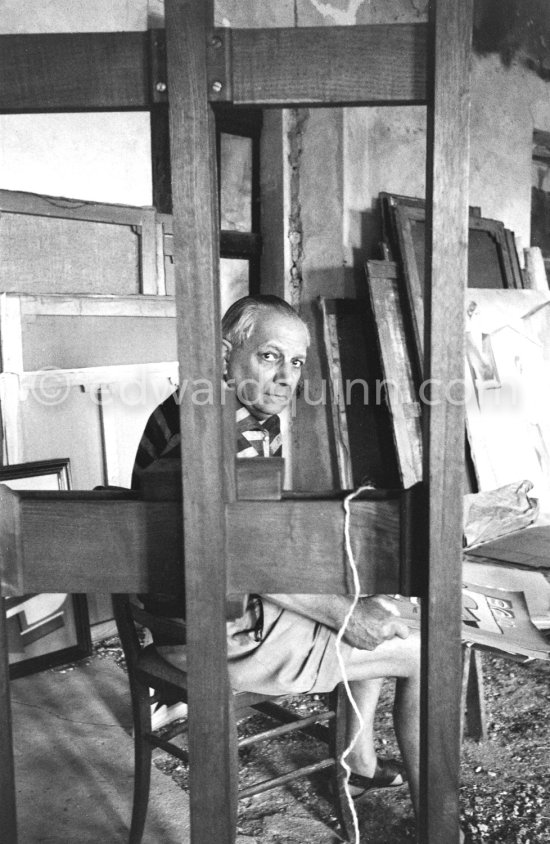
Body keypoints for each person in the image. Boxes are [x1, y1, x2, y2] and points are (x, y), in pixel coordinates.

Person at [132, 294, 421, 812]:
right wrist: (344, 612)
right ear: (224, 356)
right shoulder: (212, 431)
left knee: (379, 605)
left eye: (296, 362)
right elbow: (233, 556)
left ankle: (359, 766)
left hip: (220, 609)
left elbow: (252, 531)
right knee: (422, 651)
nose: (286, 376)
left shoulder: (219, 407)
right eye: (270, 357)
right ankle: (436, 818)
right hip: (214, 633)